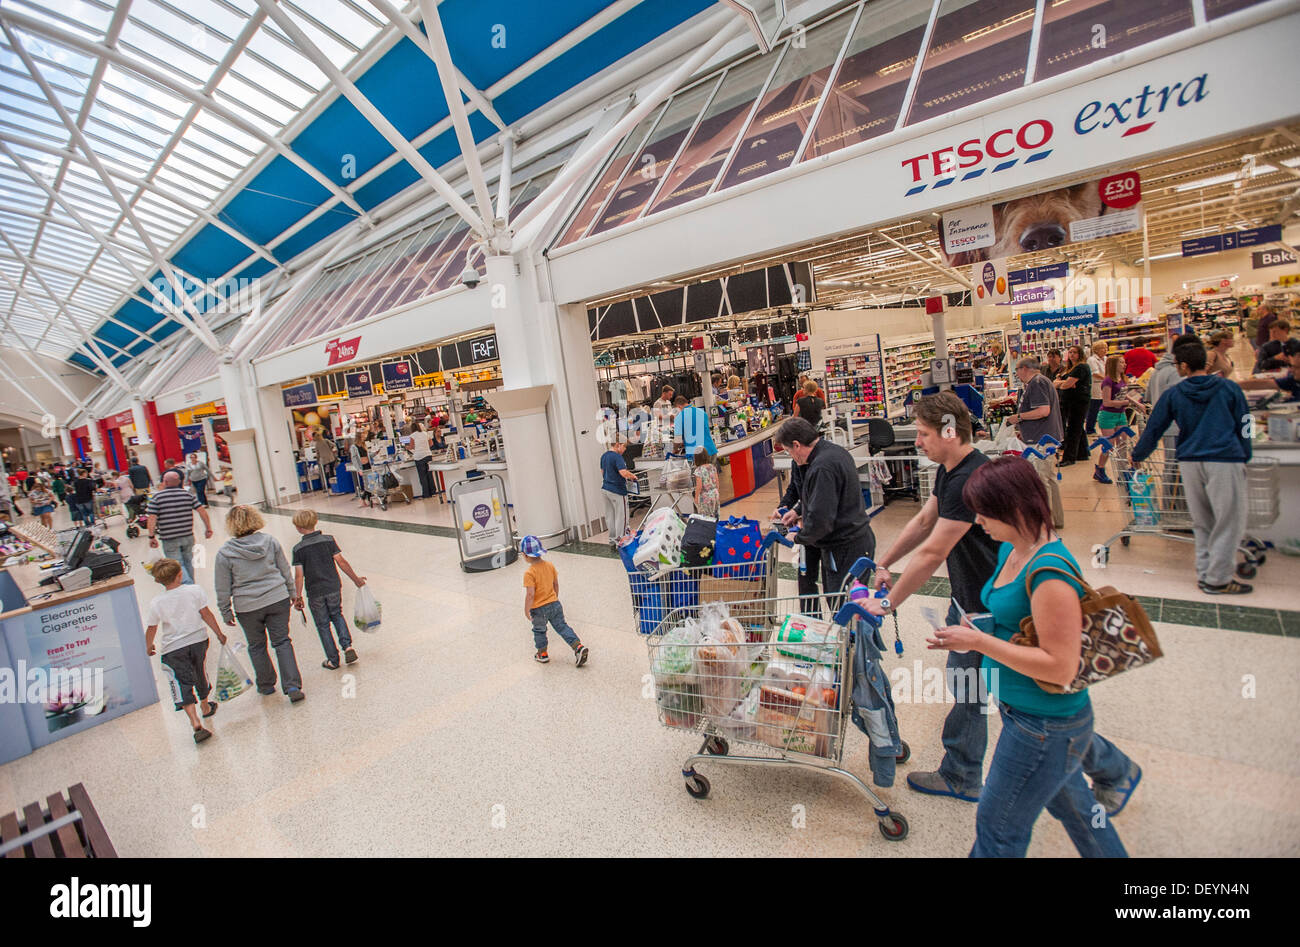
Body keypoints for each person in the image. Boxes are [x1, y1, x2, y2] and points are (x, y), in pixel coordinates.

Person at [930, 456, 1131, 857]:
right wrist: (979, 628)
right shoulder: (1013, 548)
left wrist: (980, 645)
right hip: (1025, 714)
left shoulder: (1049, 573)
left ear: (1013, 507)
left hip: (1044, 725)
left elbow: (1061, 667)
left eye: (985, 513)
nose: (979, 521)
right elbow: (1016, 620)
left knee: (997, 830)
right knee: (1077, 811)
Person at [1132, 340, 1253, 595]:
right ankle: (1218, 579)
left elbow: (1155, 427)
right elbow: (1245, 421)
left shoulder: (1174, 395)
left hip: (1189, 460)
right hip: (1224, 458)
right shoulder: (1228, 388)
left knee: (1202, 521)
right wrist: (1245, 453)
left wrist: (1139, 454)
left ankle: (1206, 571)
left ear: (1184, 366)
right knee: (1229, 520)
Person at [772, 417, 875, 597]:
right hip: (856, 539)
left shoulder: (821, 467)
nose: (791, 457)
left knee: (844, 608)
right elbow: (825, 498)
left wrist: (798, 536)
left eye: (789, 451)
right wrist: (796, 511)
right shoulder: (833, 452)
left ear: (796, 445)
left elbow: (821, 518)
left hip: (845, 546)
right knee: (852, 605)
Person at [214, 505, 303, 702]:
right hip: (276, 597)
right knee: (282, 641)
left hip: (247, 606)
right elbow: (284, 569)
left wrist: (225, 611)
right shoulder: (270, 542)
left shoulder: (225, 553)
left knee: (256, 645)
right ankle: (293, 685)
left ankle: (266, 684)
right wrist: (292, 593)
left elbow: (222, 586)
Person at [145, 557, 226, 745]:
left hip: (173, 648)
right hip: (198, 640)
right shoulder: (194, 591)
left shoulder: (157, 602)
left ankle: (195, 722)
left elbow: (151, 627)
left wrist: (148, 645)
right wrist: (219, 633)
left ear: (158, 581)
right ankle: (205, 707)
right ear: (180, 575)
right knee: (200, 673)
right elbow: (206, 614)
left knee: (181, 681)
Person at [290, 509, 366, 670]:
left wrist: (297, 597)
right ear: (315, 521)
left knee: (323, 624)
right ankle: (347, 646)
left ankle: (333, 659)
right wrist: (356, 579)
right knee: (337, 614)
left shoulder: (298, 549)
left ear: (297, 527)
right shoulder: (328, 540)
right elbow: (342, 562)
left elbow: (298, 576)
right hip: (333, 586)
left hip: (315, 592)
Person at [520, 534, 588, 666]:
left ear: (525, 555)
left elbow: (530, 594)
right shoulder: (550, 566)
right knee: (562, 627)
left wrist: (526, 610)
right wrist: (554, 598)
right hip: (555, 603)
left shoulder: (529, 573)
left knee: (539, 631)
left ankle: (542, 654)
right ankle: (578, 647)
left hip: (538, 609)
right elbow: (556, 584)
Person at [147, 471, 213, 585]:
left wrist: (151, 536)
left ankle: (188, 586)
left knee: (177, 565)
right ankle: (191, 586)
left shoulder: (157, 497)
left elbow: (152, 518)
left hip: (169, 538)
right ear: (178, 482)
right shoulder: (187, 494)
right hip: (188, 536)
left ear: (165, 482)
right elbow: (202, 511)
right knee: (188, 562)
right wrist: (208, 528)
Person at [1092, 355, 1133, 484]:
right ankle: (1100, 469)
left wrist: (1137, 404)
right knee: (1109, 446)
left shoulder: (1123, 378)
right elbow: (1107, 402)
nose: (1124, 364)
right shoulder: (1108, 381)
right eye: (1121, 362)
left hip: (1121, 415)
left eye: (1124, 362)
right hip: (1107, 416)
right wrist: (1125, 403)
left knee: (1122, 445)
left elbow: (1124, 394)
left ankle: (1123, 472)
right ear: (1113, 364)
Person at [1007, 357, 1063, 448]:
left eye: (1016, 370)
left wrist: (1018, 417)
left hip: (1041, 440)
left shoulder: (1037, 383)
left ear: (1024, 368)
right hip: (1039, 438)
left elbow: (1043, 411)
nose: (1016, 374)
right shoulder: (1037, 382)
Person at [1053, 344, 1092, 464]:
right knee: (1078, 427)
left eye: (1074, 352)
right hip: (1071, 401)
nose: (1072, 354)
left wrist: (1061, 383)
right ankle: (1082, 453)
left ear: (1080, 354)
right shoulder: (1070, 368)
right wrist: (1063, 382)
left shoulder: (1081, 367)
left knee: (1072, 430)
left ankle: (1069, 458)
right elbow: (1059, 382)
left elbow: (1066, 385)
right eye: (1070, 352)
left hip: (1078, 402)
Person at [600, 439, 637, 548]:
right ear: (617, 445)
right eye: (624, 446)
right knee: (621, 516)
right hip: (617, 490)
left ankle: (612, 540)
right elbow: (623, 472)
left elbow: (602, 471)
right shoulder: (617, 457)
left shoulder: (604, 456)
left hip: (605, 489)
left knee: (610, 516)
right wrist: (633, 476)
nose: (625, 449)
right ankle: (621, 540)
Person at [408, 421, 435, 499]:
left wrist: (407, 447)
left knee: (422, 476)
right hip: (428, 455)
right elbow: (431, 443)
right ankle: (433, 492)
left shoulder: (412, 435)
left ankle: (426, 494)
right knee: (430, 475)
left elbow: (412, 446)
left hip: (419, 457)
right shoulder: (425, 433)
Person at [1085, 341, 1107, 434]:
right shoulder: (1091, 360)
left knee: (1105, 408)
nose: (1105, 350)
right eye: (1103, 348)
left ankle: (1105, 427)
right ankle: (1090, 429)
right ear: (1096, 350)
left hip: (1105, 387)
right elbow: (1095, 373)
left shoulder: (1105, 359)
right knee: (1094, 409)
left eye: (1106, 348)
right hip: (1096, 387)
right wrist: (1107, 379)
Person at [691, 446, 719, 517]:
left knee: (706, 517)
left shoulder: (698, 470)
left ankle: (708, 527)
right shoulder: (712, 467)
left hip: (705, 497)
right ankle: (716, 527)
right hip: (715, 494)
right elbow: (717, 481)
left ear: (696, 458)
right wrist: (716, 491)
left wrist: (696, 498)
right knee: (715, 515)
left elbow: (699, 486)